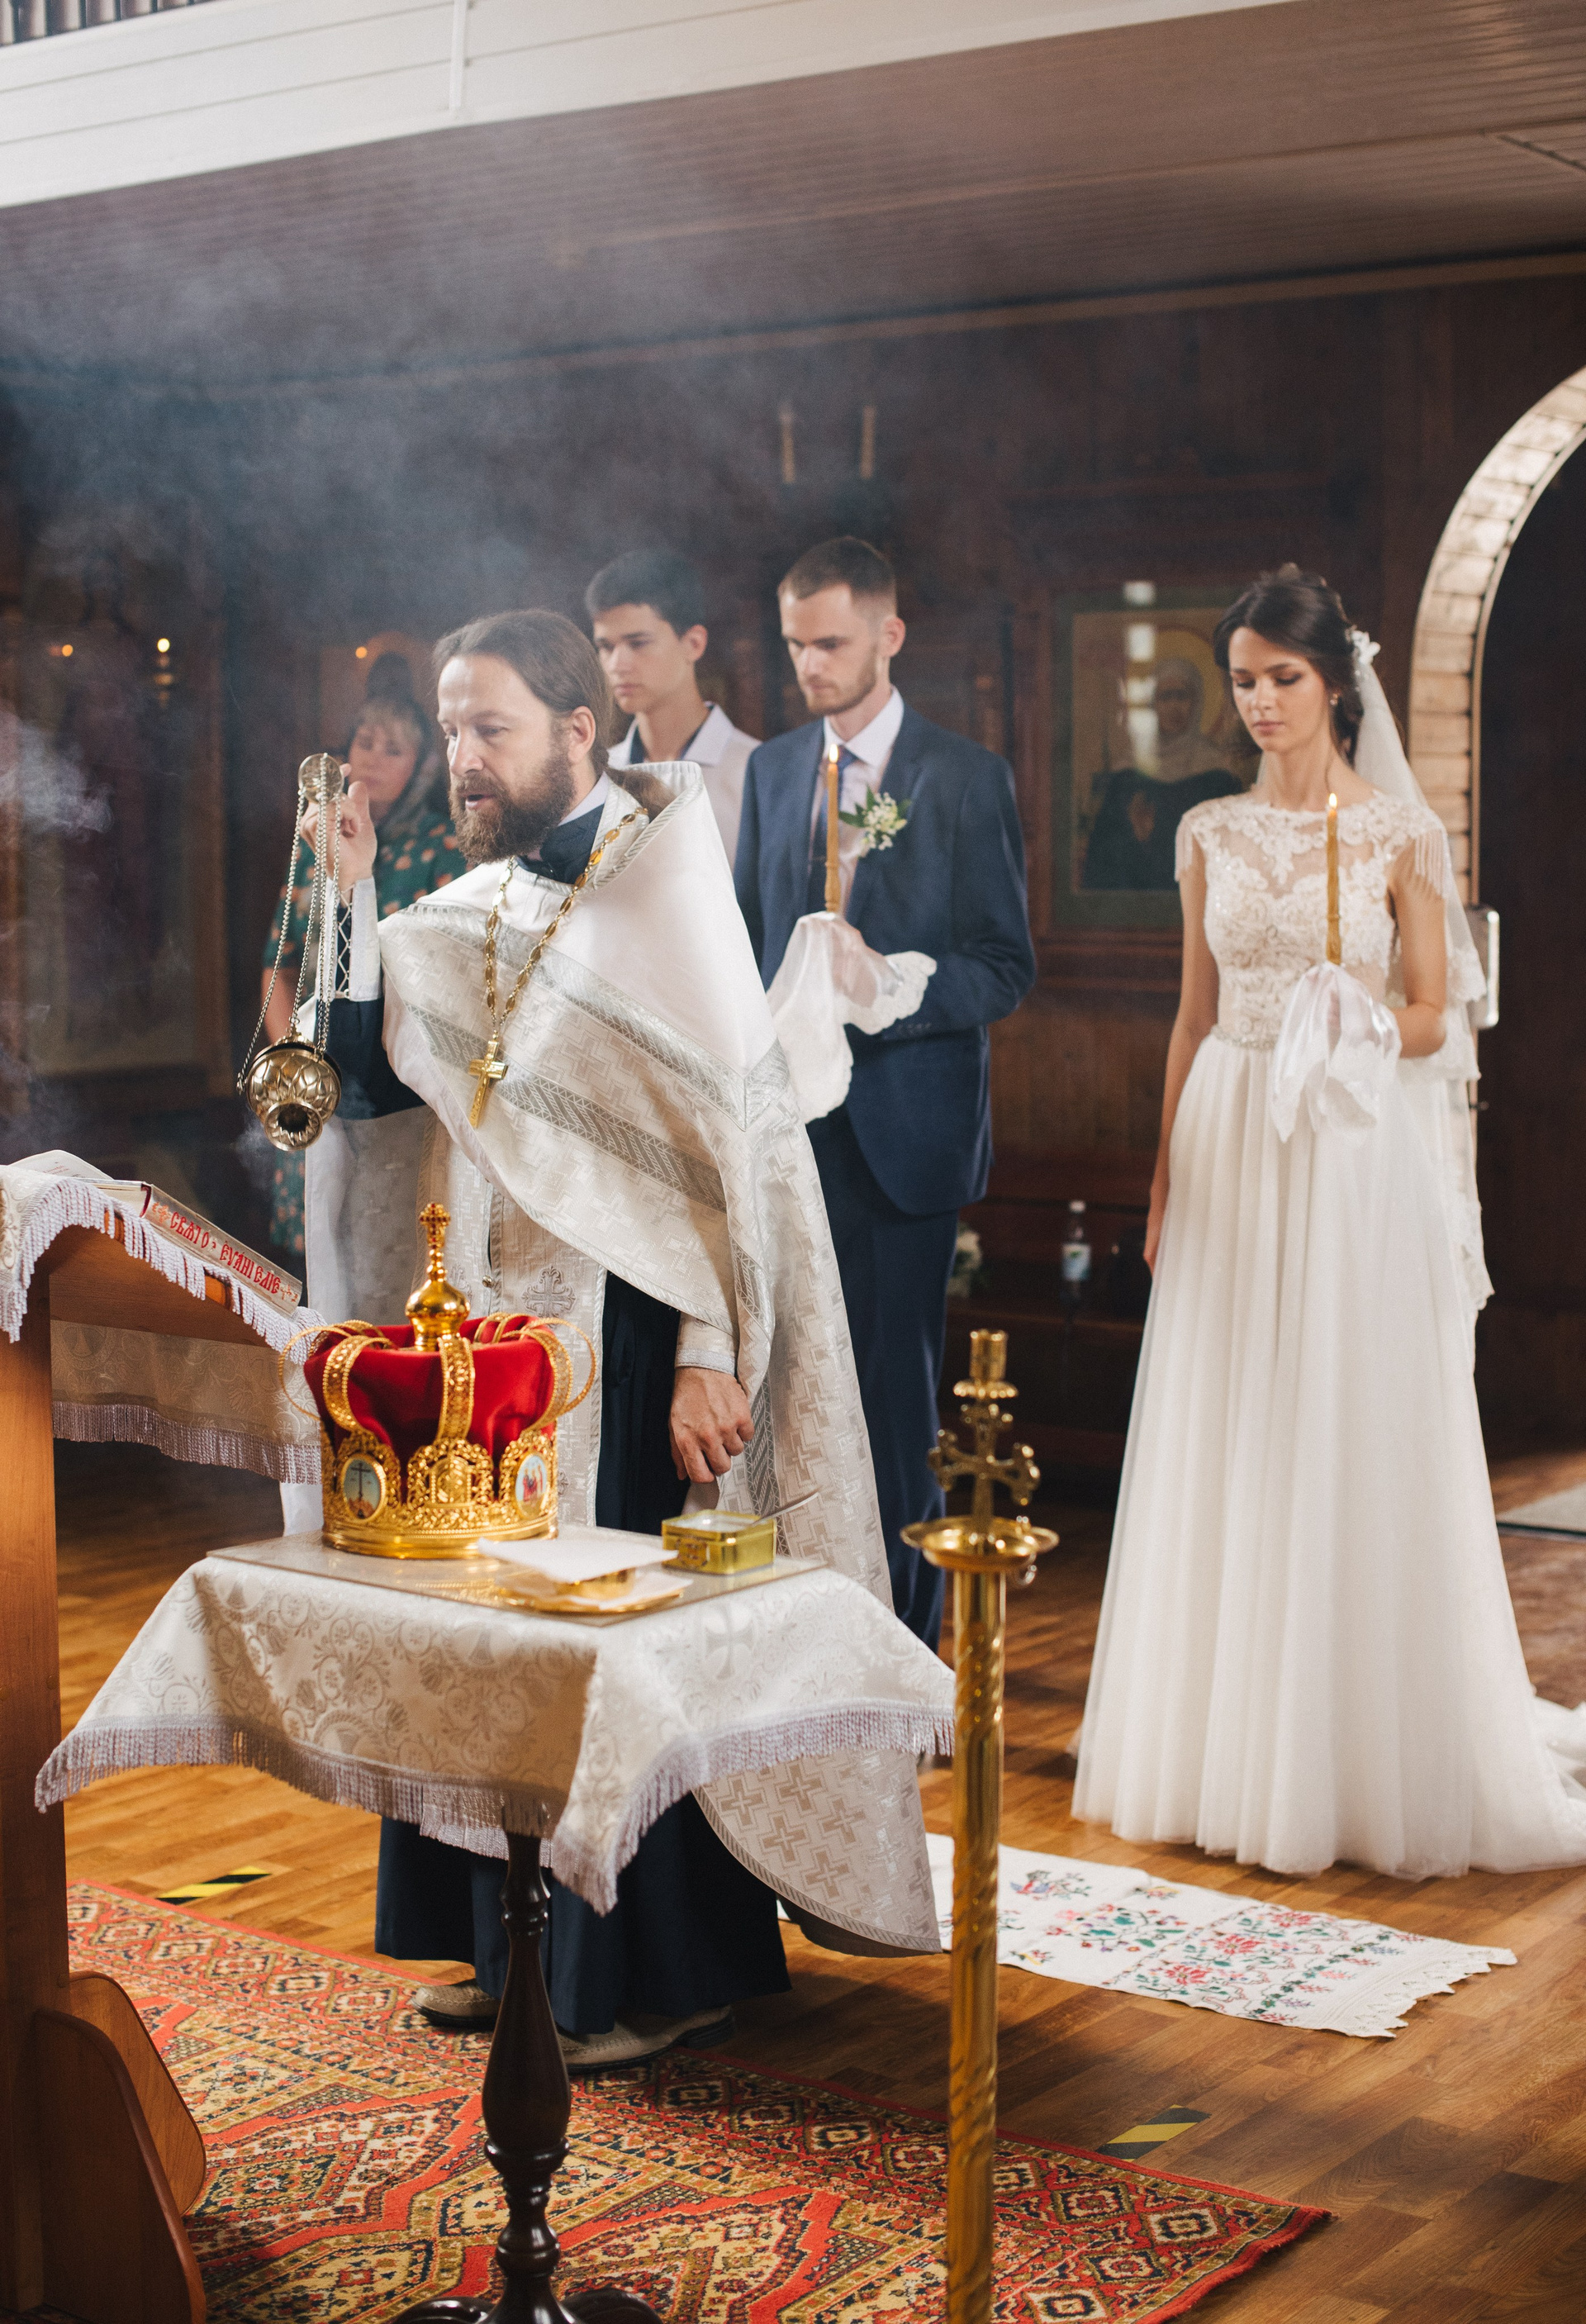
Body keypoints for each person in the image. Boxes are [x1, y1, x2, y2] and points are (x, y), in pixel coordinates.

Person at [300, 607, 941, 2062]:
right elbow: (366, 1079)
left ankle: (664, 1972)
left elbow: (727, 1152)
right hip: (501, 1337)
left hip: (639, 1327)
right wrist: (349, 891)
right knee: (491, 1633)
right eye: (451, 729)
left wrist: (713, 1352)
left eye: (491, 728)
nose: (463, 756)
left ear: (578, 729)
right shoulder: (469, 906)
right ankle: (511, 1952)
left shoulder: (668, 889)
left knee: (621, 1641)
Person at [1074, 564, 1586, 1880]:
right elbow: (1192, 1013)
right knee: (1231, 1413)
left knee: (1335, 1413)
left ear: (1336, 684)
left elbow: (1434, 1015)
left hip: (1346, 1143)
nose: (1259, 701)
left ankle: (1342, 1749)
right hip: (1229, 1130)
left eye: (1282, 678)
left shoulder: (1403, 835)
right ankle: (1220, 1745)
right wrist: (1164, 1174)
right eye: (1243, 679)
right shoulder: (1208, 832)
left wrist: (1360, 1017)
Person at [734, 538, 1036, 1650]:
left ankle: (904, 1650)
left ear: (889, 635)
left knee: (894, 1404)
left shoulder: (964, 776)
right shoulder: (774, 771)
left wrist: (891, 987)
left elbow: (1005, 965)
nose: (809, 665)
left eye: (830, 643)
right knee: (787, 1392)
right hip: (788, 1132)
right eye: (795, 646)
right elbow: (744, 947)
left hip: (904, 1139)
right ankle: (801, 1630)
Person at [258, 653, 457, 1257]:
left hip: (394, 1078)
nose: (372, 757)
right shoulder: (316, 839)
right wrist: (294, 1062)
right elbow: (278, 961)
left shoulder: (443, 848)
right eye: (365, 741)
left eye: (393, 749)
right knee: (313, 1251)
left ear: (422, 766)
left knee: (383, 1247)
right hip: (313, 1077)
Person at [586, 548, 758, 866]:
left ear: (693, 643)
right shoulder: (596, 776)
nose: (617, 664)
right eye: (606, 647)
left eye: (638, 643)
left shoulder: (755, 769)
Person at [1082, 657, 1241, 890]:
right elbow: (1102, 861)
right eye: (1165, 697)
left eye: (1182, 696)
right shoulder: (1127, 777)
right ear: (1152, 705)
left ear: (1196, 702)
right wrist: (1137, 837)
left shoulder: (1218, 777)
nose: (1174, 707)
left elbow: (1232, 855)